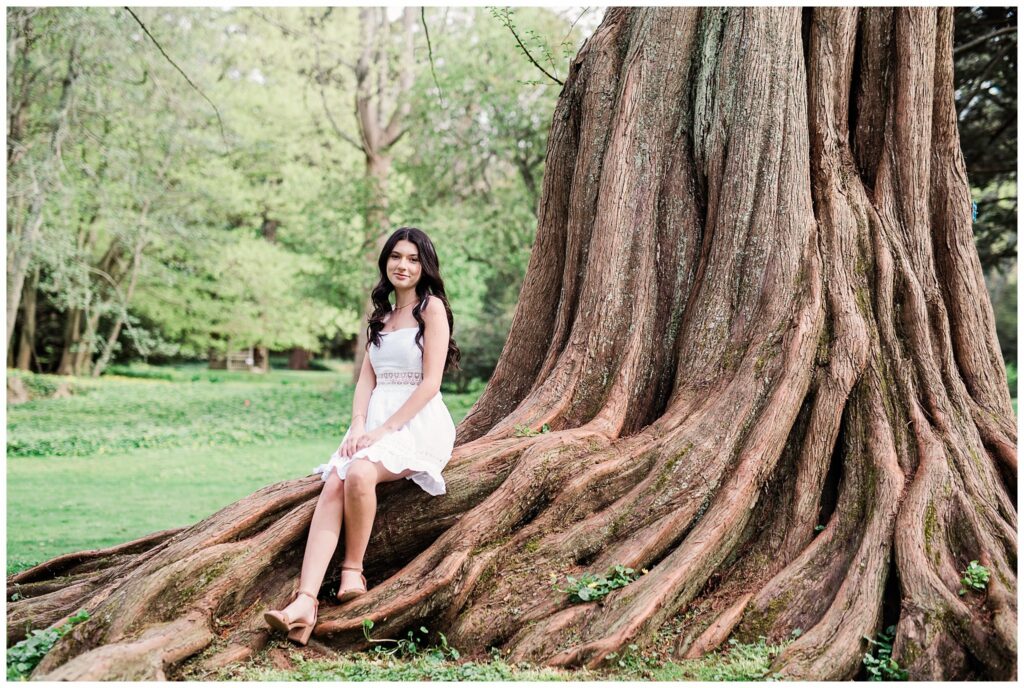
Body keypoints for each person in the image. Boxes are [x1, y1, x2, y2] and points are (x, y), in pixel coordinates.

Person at [263, 226, 460, 645]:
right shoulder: (381, 317)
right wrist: (358, 425)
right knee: (333, 484)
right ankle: (304, 603)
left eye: (411, 258)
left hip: (416, 422)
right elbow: (365, 382)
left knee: (358, 474)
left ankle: (353, 570)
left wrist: (383, 430)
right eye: (395, 257)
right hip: (373, 421)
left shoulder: (432, 310)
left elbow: (430, 383)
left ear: (424, 265)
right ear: (385, 262)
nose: (402, 265)